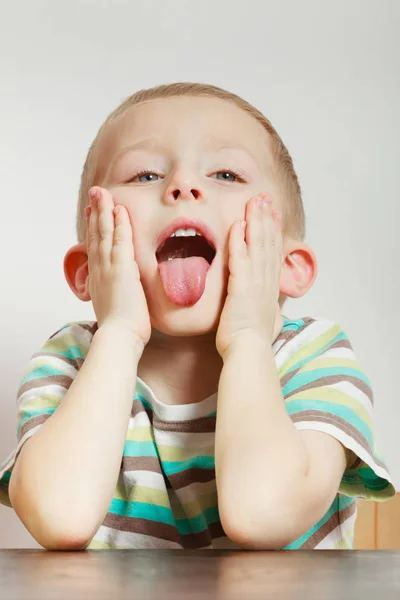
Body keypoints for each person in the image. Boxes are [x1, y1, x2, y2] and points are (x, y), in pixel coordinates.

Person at [0, 82, 394, 551]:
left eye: (226, 174)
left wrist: (248, 337)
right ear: (88, 270)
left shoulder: (314, 356)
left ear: (288, 266)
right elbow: (58, 516)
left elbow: (263, 514)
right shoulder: (69, 361)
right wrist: (120, 334)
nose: (182, 186)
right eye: (144, 175)